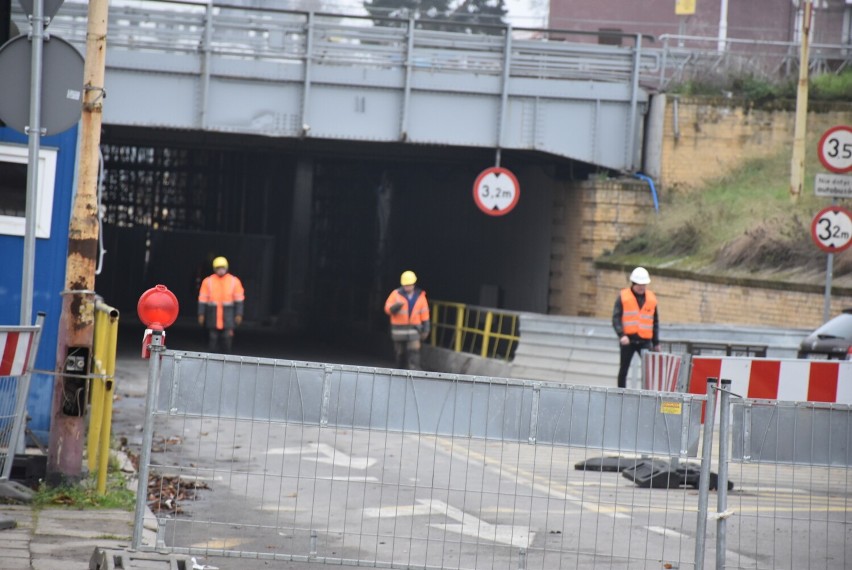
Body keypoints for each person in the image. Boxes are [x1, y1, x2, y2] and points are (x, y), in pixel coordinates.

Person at [612, 266, 660, 389]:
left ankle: (648, 393)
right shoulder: (623, 296)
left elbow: (655, 322)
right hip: (628, 340)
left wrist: (656, 342)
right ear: (633, 283)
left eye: (644, 284)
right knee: (624, 369)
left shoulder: (651, 298)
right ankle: (620, 393)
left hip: (645, 341)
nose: (642, 287)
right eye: (639, 284)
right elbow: (616, 318)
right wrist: (621, 335)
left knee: (649, 370)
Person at [198, 256, 245, 353]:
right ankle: (211, 359)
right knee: (212, 338)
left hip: (228, 316)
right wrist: (201, 314)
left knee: (227, 338)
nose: (221, 270)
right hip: (213, 316)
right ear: (215, 269)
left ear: (226, 268)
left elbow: (239, 300)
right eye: (218, 268)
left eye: (223, 268)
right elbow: (202, 300)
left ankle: (226, 358)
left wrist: (239, 314)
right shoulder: (208, 281)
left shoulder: (234, 281)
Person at [384, 270, 430, 370]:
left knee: (414, 352)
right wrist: (394, 308)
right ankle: (400, 371)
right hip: (399, 331)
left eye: (409, 285)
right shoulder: (395, 294)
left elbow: (425, 314)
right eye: (405, 285)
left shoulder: (420, 296)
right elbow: (387, 309)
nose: (407, 287)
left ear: (414, 284)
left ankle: (414, 373)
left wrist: (426, 329)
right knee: (400, 353)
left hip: (414, 330)